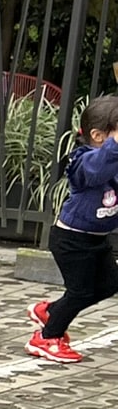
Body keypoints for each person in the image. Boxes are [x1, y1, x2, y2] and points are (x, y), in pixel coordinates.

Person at [27, 92, 118, 364]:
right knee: (80, 291)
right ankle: (46, 338)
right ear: (98, 136)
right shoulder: (83, 160)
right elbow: (97, 170)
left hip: (97, 240)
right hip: (71, 240)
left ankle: (50, 311)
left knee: (110, 283)